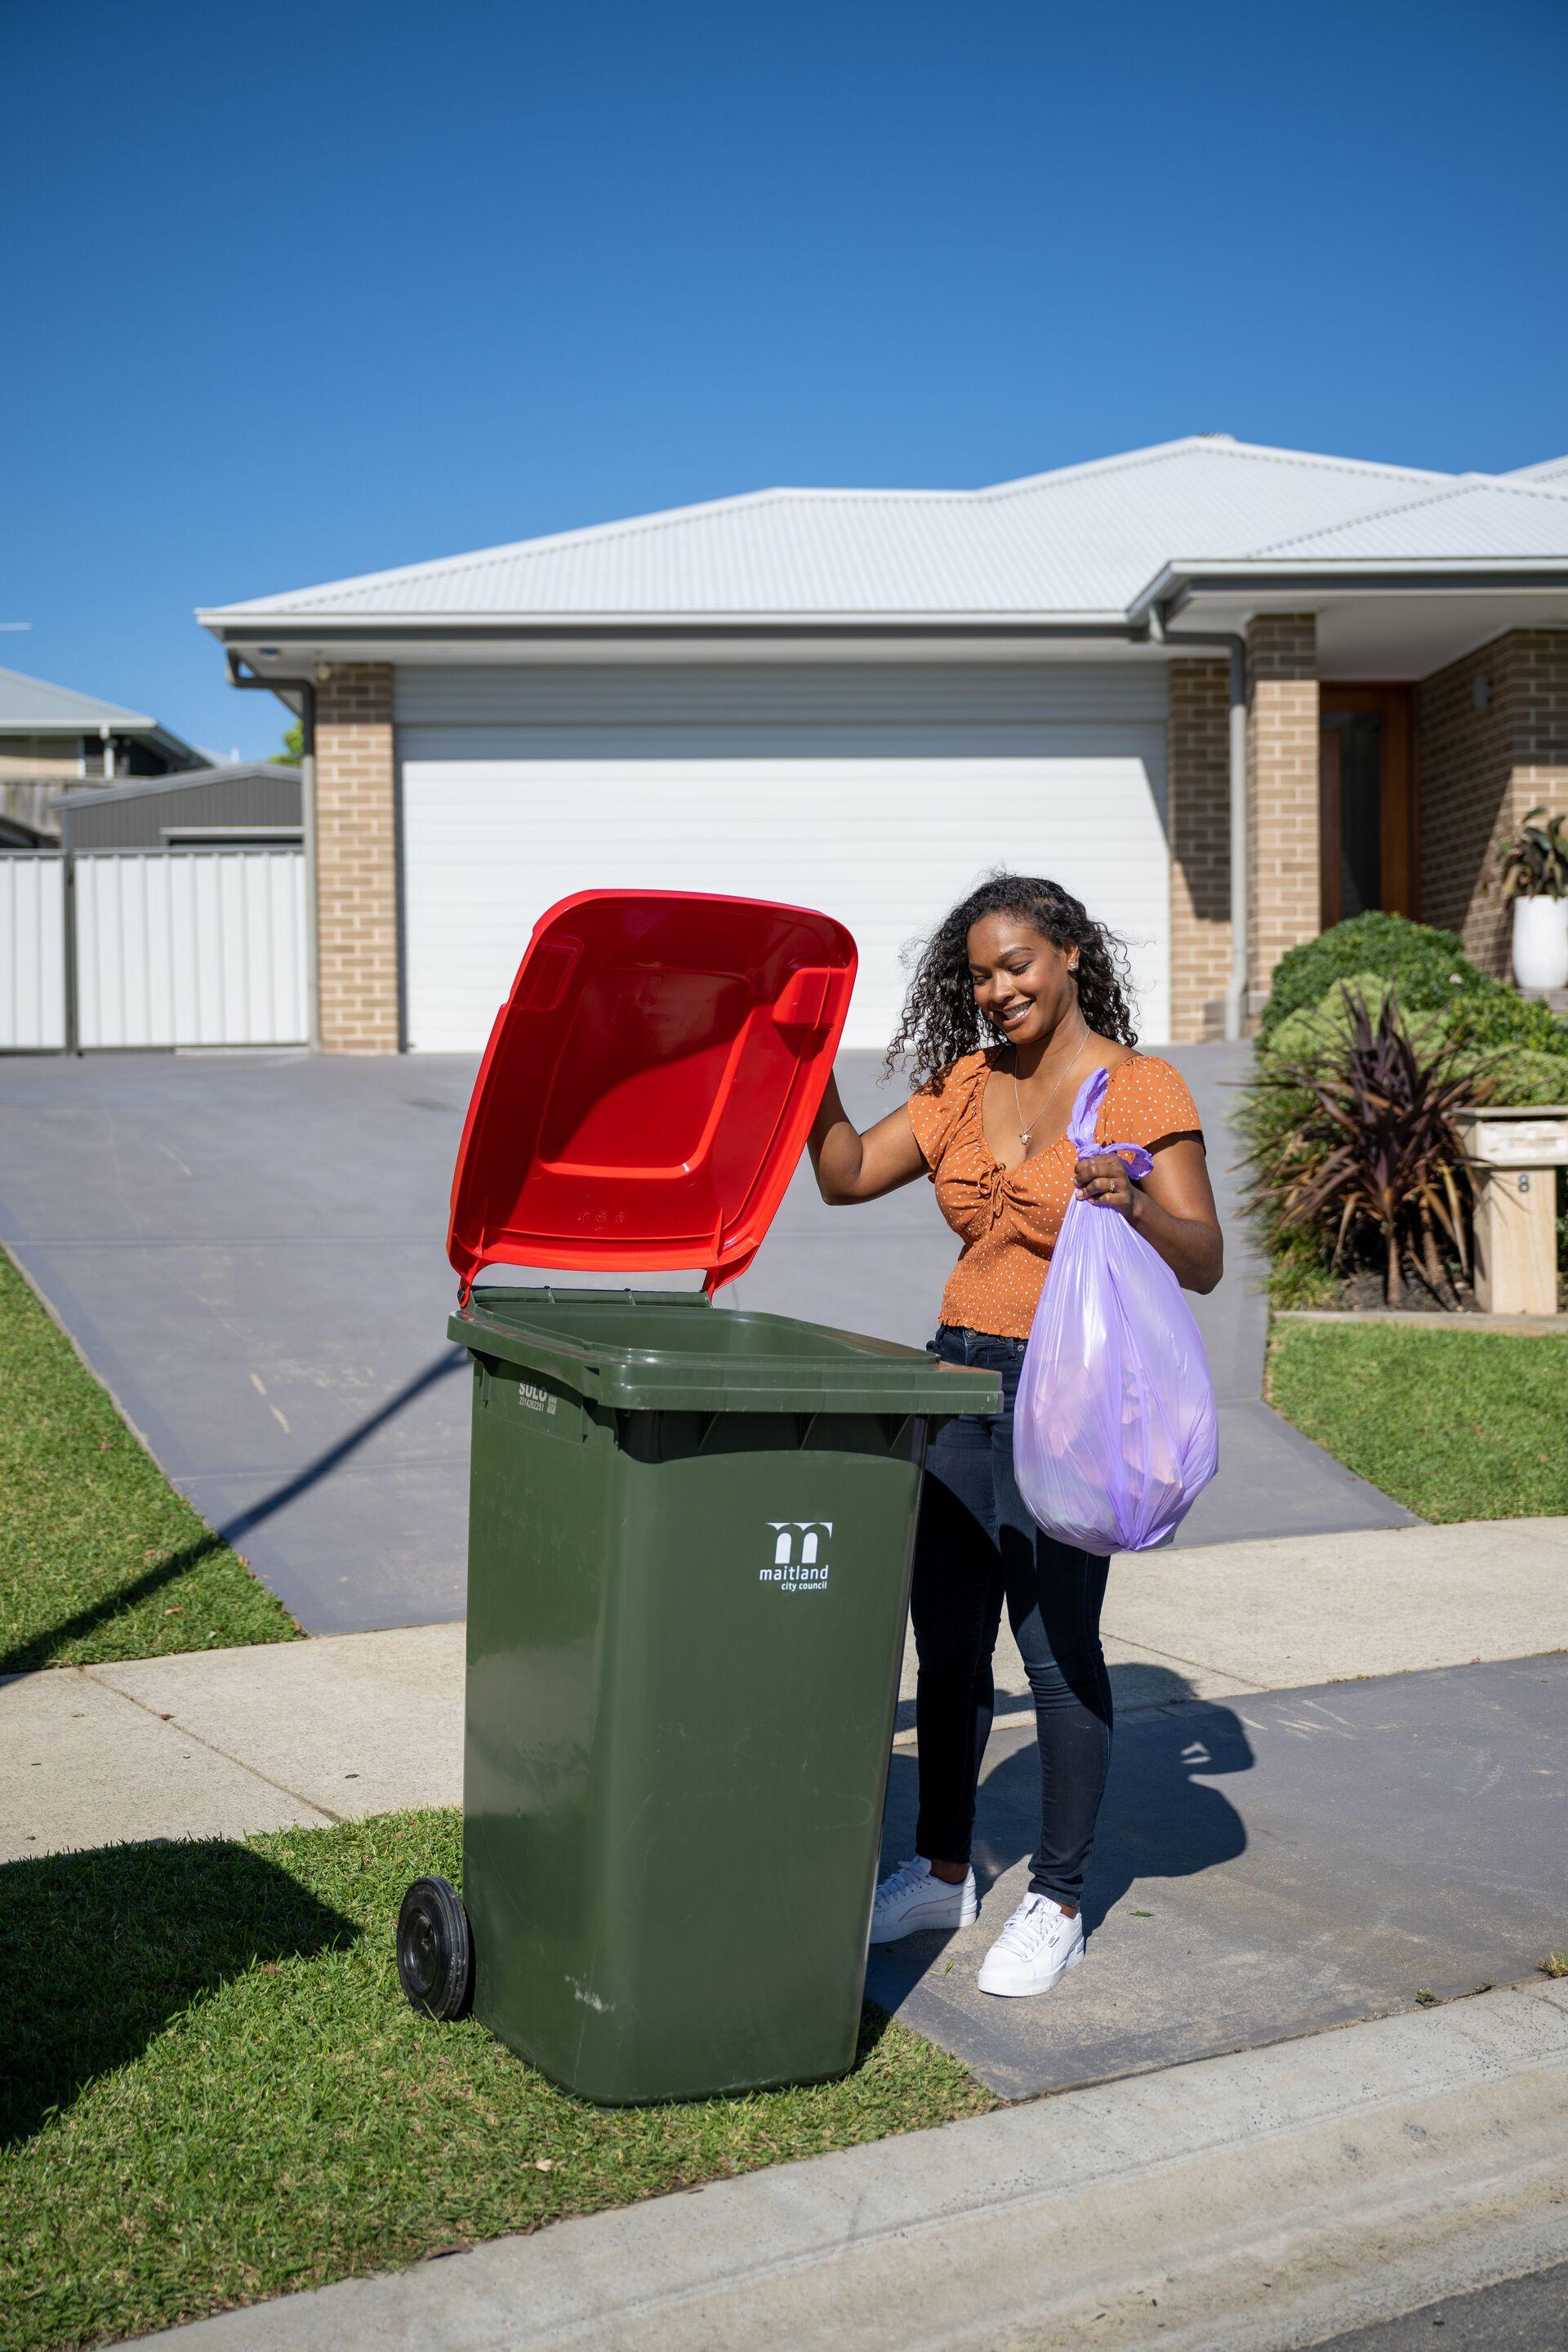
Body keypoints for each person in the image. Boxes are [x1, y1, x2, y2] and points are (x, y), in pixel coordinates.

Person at [806, 875, 1223, 1998]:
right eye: (981, 976)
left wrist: (1133, 1201)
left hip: (1065, 1394)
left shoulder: (1139, 1088)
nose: (998, 990)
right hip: (953, 1380)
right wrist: (807, 1067)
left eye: (1017, 965)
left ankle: (1060, 1899)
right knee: (947, 1643)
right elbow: (845, 1175)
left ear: (1071, 953)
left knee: (1055, 1649)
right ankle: (943, 1872)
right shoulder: (963, 1085)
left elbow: (1205, 1257)